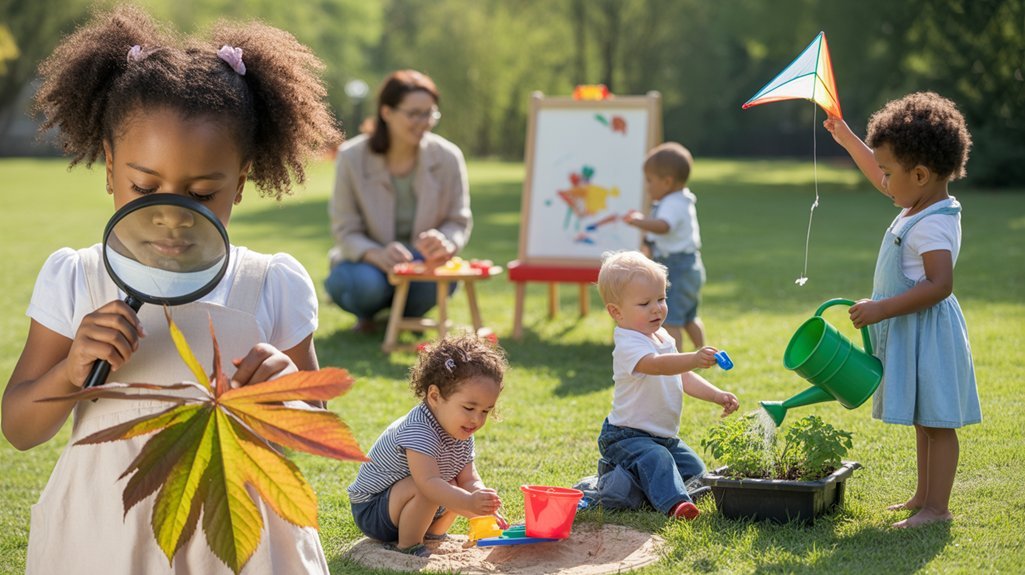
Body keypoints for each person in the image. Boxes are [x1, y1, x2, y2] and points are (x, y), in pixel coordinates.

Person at [1, 6, 340, 573]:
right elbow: (18, 427)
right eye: (144, 186)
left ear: (244, 177)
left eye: (203, 194)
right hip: (104, 536)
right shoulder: (76, 277)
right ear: (109, 167)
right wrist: (68, 372)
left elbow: (315, 426)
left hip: (239, 543)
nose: (173, 216)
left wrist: (291, 390)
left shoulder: (272, 283)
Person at [824, 92, 980, 528]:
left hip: (927, 332)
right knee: (921, 419)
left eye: (890, 173)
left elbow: (940, 285)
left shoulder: (934, 223)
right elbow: (879, 175)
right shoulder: (917, 201)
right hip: (912, 331)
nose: (883, 182)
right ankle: (922, 495)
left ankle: (938, 507)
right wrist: (848, 137)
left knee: (937, 422)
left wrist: (882, 308)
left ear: (920, 173)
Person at [595, 251, 739, 520]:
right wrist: (694, 358)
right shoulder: (628, 344)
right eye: (645, 303)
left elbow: (681, 376)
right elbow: (659, 365)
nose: (657, 308)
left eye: (661, 299)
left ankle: (647, 487)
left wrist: (717, 395)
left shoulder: (662, 336)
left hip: (664, 437)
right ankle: (675, 505)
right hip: (627, 435)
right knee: (657, 460)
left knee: (696, 471)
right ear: (617, 312)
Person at [326, 69, 472, 333]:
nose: (423, 121)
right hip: (369, 263)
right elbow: (345, 229)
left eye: (429, 113)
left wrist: (445, 241)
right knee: (365, 287)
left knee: (439, 282)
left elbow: (458, 220)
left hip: (421, 264)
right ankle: (369, 312)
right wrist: (375, 254)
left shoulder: (448, 157)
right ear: (387, 112)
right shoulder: (351, 157)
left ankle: (403, 314)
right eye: (414, 113)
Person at [348, 335, 507, 556]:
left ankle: (433, 533)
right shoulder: (419, 429)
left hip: (403, 503)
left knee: (452, 484)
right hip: (373, 509)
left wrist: (482, 503)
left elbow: (468, 479)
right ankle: (409, 544)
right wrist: (468, 502)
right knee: (430, 487)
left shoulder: (460, 429)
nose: (477, 420)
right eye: (469, 408)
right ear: (434, 396)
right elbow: (428, 483)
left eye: (485, 411)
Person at [624, 142, 705, 352]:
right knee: (690, 317)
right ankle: (702, 351)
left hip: (677, 267)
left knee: (672, 321)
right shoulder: (680, 200)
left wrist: (638, 221)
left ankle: (675, 363)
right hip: (689, 265)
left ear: (667, 181)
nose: (648, 187)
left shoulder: (672, 203)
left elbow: (663, 226)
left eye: (650, 181)